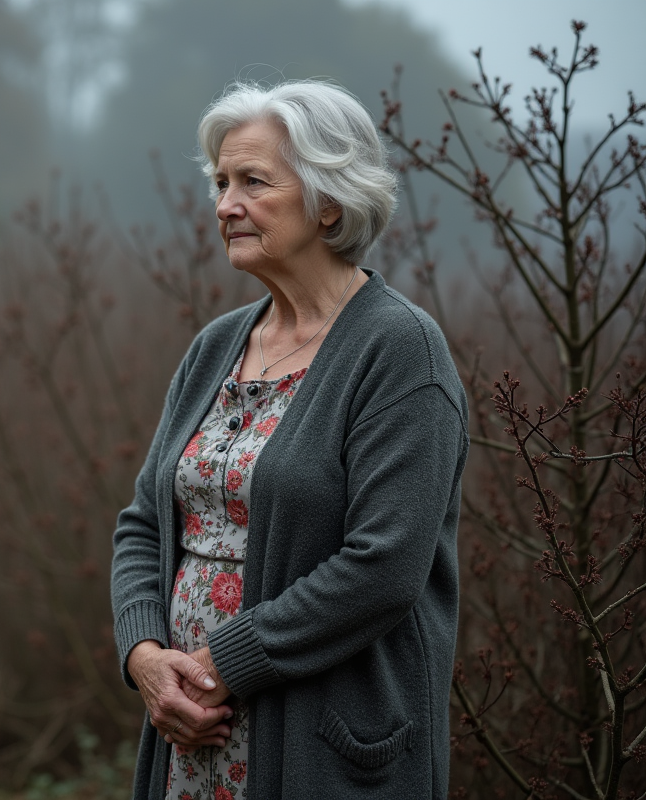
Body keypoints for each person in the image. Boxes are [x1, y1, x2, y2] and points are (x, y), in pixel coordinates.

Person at [110, 79, 468, 800]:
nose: (224, 205)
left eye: (252, 182)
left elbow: (384, 568)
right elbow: (144, 522)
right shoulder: (216, 347)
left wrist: (220, 666)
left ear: (329, 199)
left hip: (322, 748)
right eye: (219, 182)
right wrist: (146, 656)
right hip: (193, 735)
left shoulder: (400, 354)